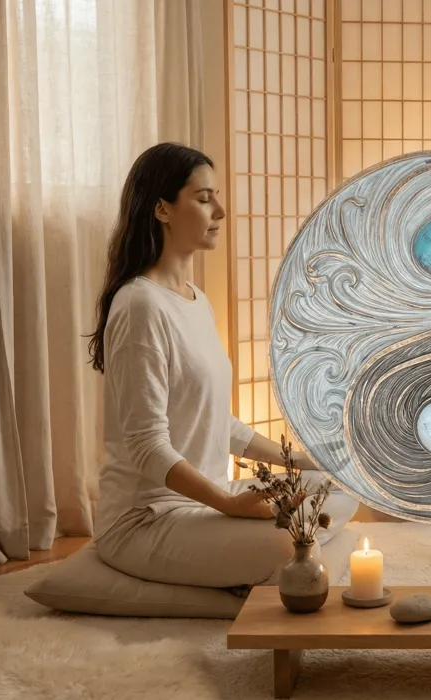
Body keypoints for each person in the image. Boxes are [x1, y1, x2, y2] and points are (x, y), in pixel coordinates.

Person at [87, 142, 356, 591]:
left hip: (206, 502)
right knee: (290, 546)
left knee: (338, 487)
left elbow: (219, 423)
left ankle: (244, 566)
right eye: (204, 197)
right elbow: (147, 446)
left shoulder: (196, 300)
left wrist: (308, 461)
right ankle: (251, 569)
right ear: (162, 209)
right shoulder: (139, 305)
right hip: (149, 518)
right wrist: (228, 506)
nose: (221, 211)